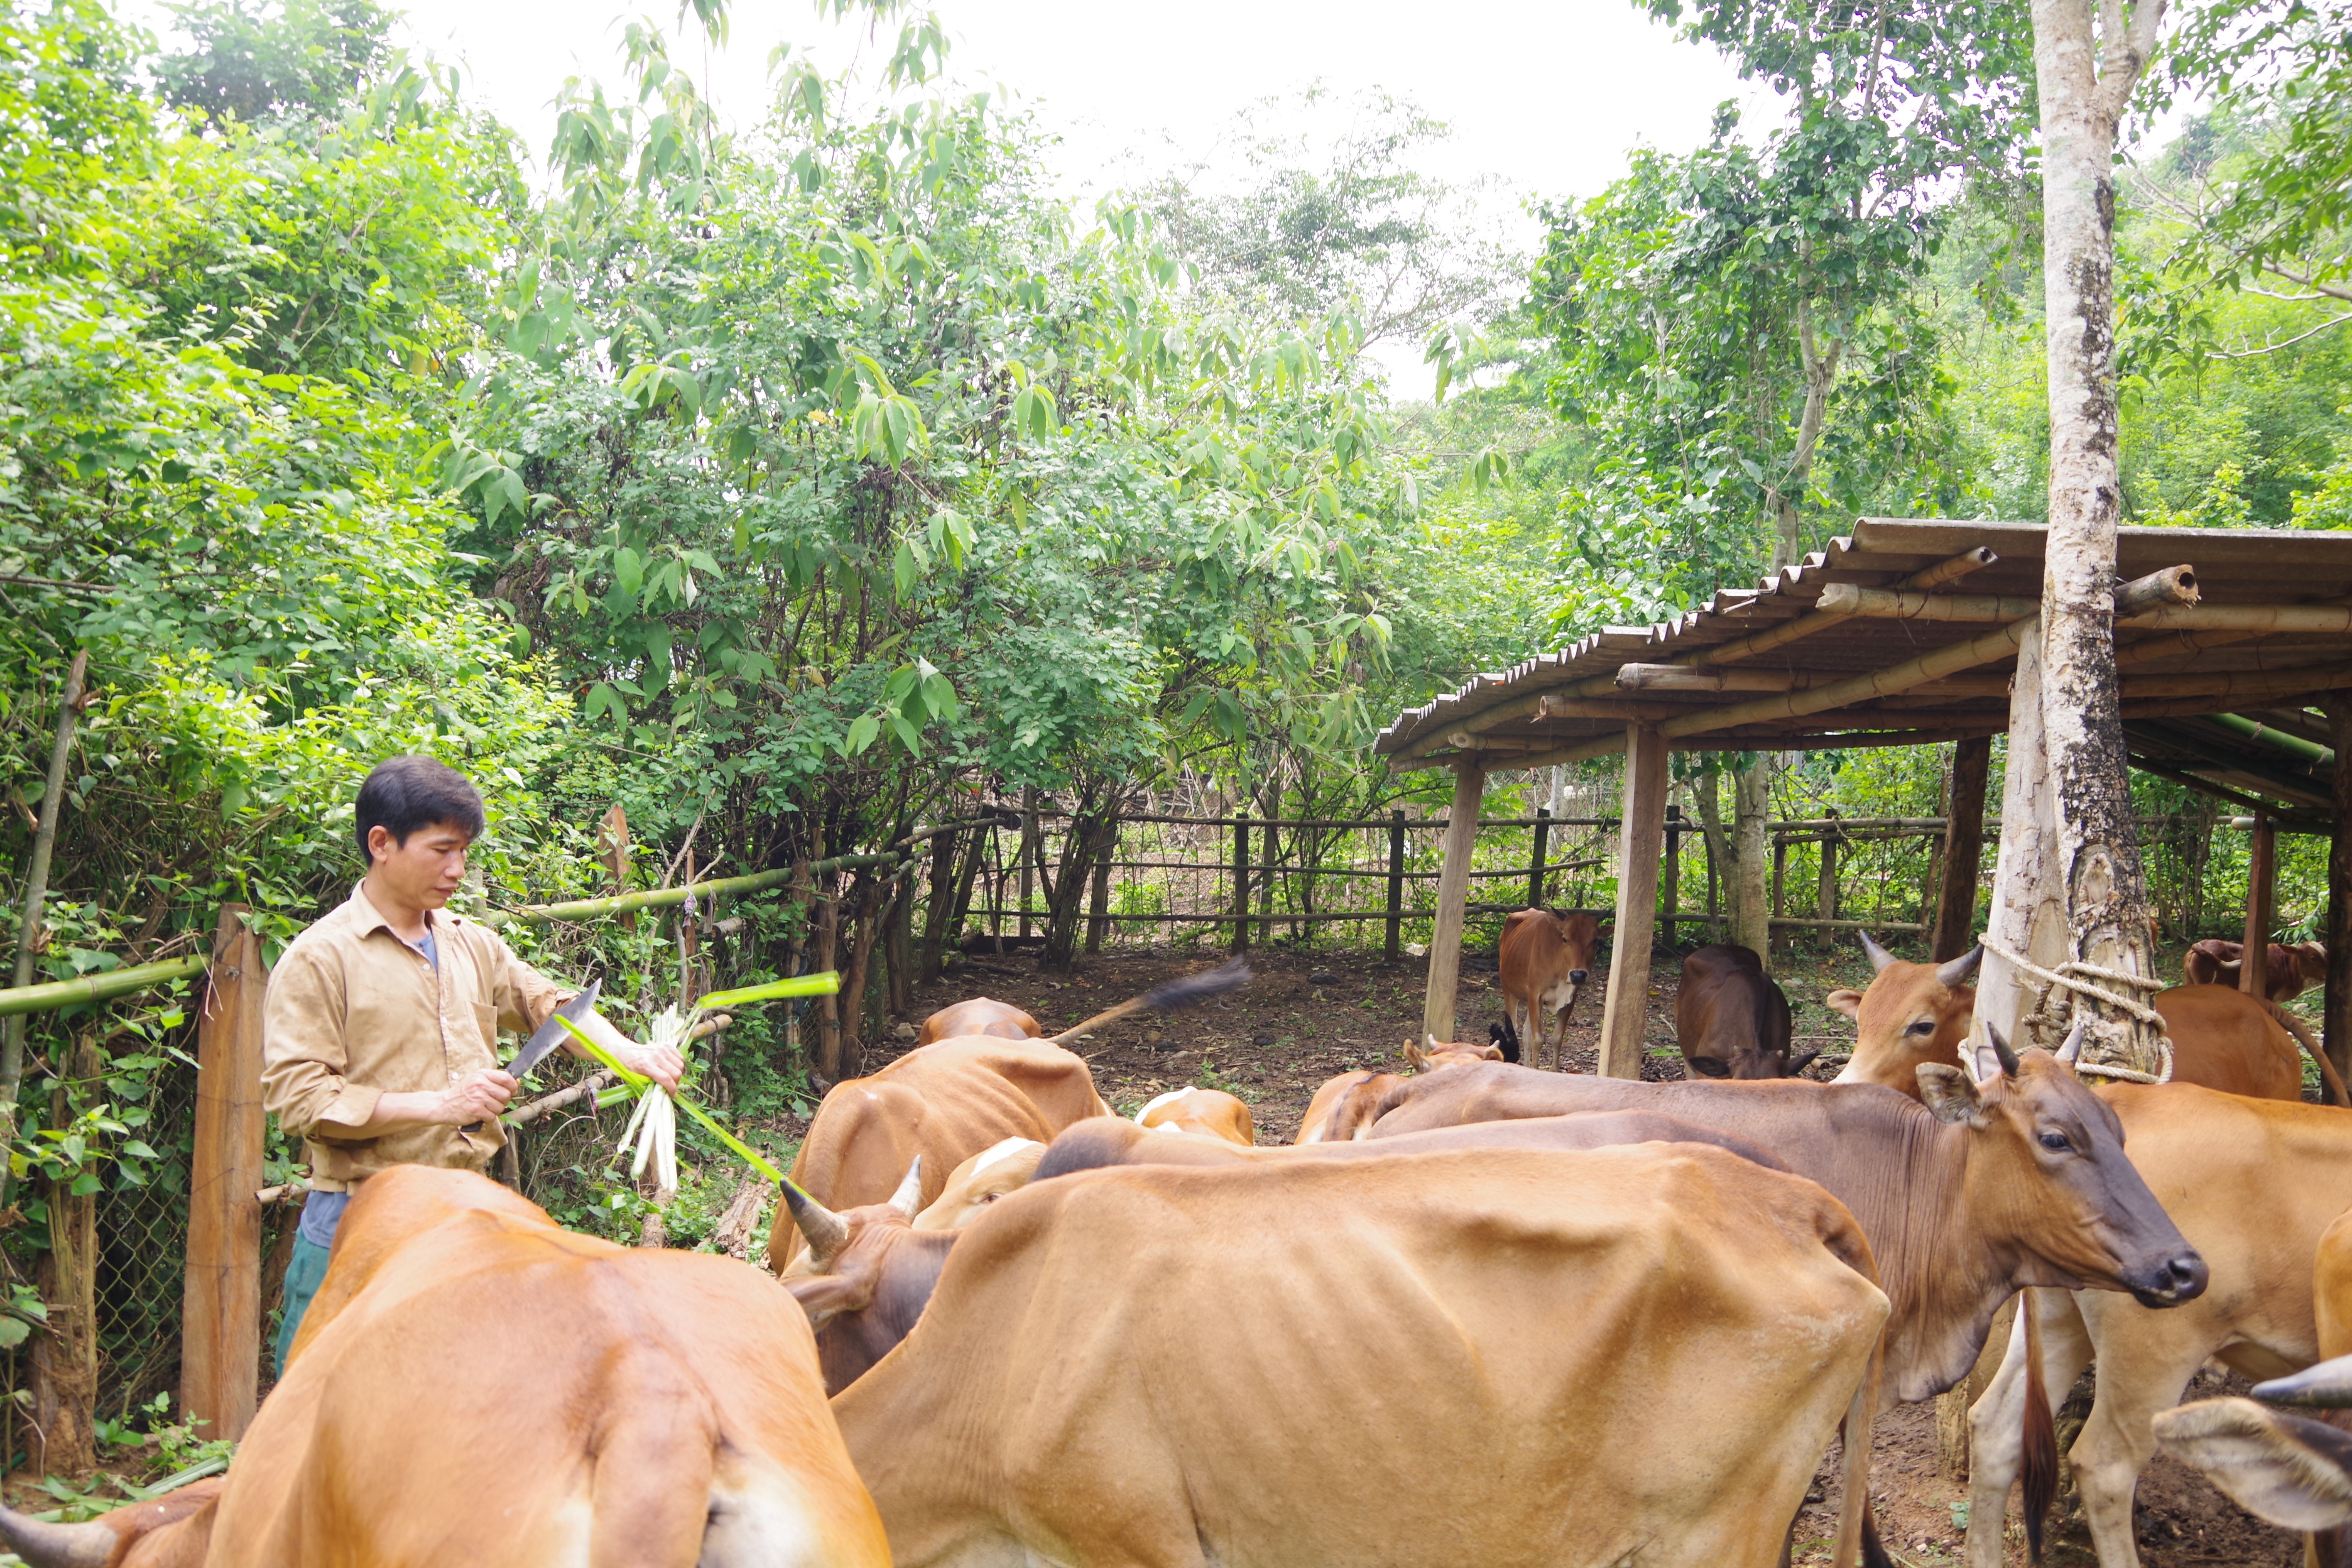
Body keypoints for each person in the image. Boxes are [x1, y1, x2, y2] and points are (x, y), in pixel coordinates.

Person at [260, 756, 683, 1370]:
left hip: (466, 1206)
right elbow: (303, 1101)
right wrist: (442, 1106)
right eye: (442, 850)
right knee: (317, 1389)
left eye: (464, 852)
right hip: (361, 1210)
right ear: (381, 843)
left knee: (469, 1386)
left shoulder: (469, 940)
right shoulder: (320, 960)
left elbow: (550, 1005)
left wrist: (630, 1053)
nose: (457, 869)